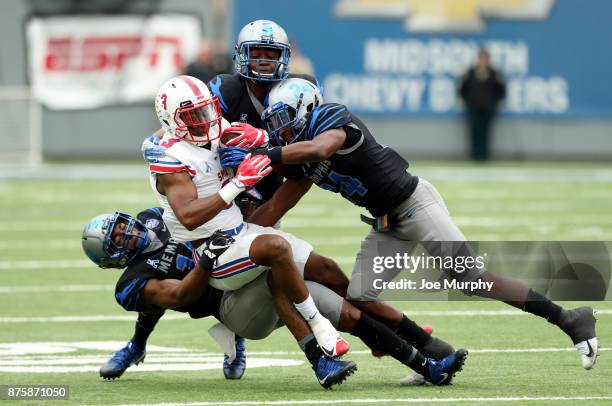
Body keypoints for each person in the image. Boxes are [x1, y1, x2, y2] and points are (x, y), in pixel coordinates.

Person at [141, 19, 457, 386]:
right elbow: (184, 140)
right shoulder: (215, 102)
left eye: (270, 54)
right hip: (230, 201)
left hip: (279, 180)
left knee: (321, 274)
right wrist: (236, 179)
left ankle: (409, 338)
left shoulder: (298, 89)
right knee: (270, 276)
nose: (261, 62)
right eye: (255, 53)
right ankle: (294, 339)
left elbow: (304, 157)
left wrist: (260, 156)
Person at [233, 77, 597, 371]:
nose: (279, 132)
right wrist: (236, 230)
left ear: (306, 108)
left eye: (283, 121)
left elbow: (320, 149)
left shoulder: (332, 118)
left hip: (415, 204)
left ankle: (568, 318)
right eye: (274, 125)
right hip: (385, 224)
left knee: (469, 278)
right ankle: (434, 350)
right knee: (361, 296)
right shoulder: (295, 157)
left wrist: (264, 152)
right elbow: (280, 201)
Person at [82, 208, 468, 387]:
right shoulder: (131, 283)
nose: (129, 235)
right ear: (113, 260)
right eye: (119, 241)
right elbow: (180, 296)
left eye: (122, 228)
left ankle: (425, 365)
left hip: (245, 276)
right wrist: (208, 259)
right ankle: (320, 361)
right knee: (272, 270)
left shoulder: (155, 218)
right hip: (231, 307)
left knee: (346, 314)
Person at [459, 48, 506, 161]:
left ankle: (484, 155)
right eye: (481, 58)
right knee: (474, 130)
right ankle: (475, 154)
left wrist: (499, 100)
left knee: (486, 131)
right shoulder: (471, 72)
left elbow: (500, 89)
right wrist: (463, 99)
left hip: (488, 106)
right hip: (473, 106)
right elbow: (463, 87)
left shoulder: (494, 73)